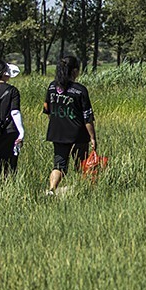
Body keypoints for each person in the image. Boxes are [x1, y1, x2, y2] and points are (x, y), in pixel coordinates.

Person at [43, 55, 97, 194]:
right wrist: (92, 137)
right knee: (81, 163)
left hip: (57, 132)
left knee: (59, 165)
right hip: (78, 134)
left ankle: (51, 190)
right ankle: (83, 189)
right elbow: (87, 117)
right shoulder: (80, 90)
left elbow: (47, 110)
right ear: (74, 71)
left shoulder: (52, 87)